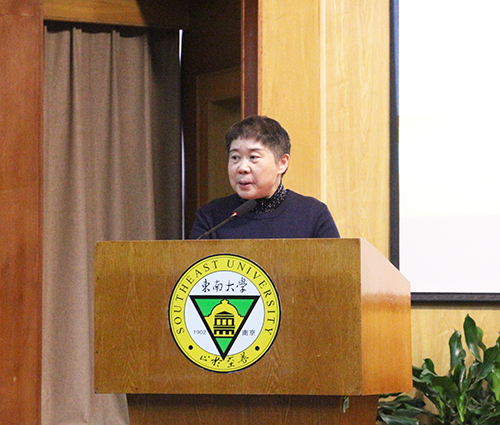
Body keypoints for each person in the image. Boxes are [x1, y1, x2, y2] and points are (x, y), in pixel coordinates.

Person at [190, 115, 340, 239]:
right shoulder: (212, 217)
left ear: (282, 163)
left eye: (253, 157)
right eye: (235, 157)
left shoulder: (313, 214)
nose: (242, 168)